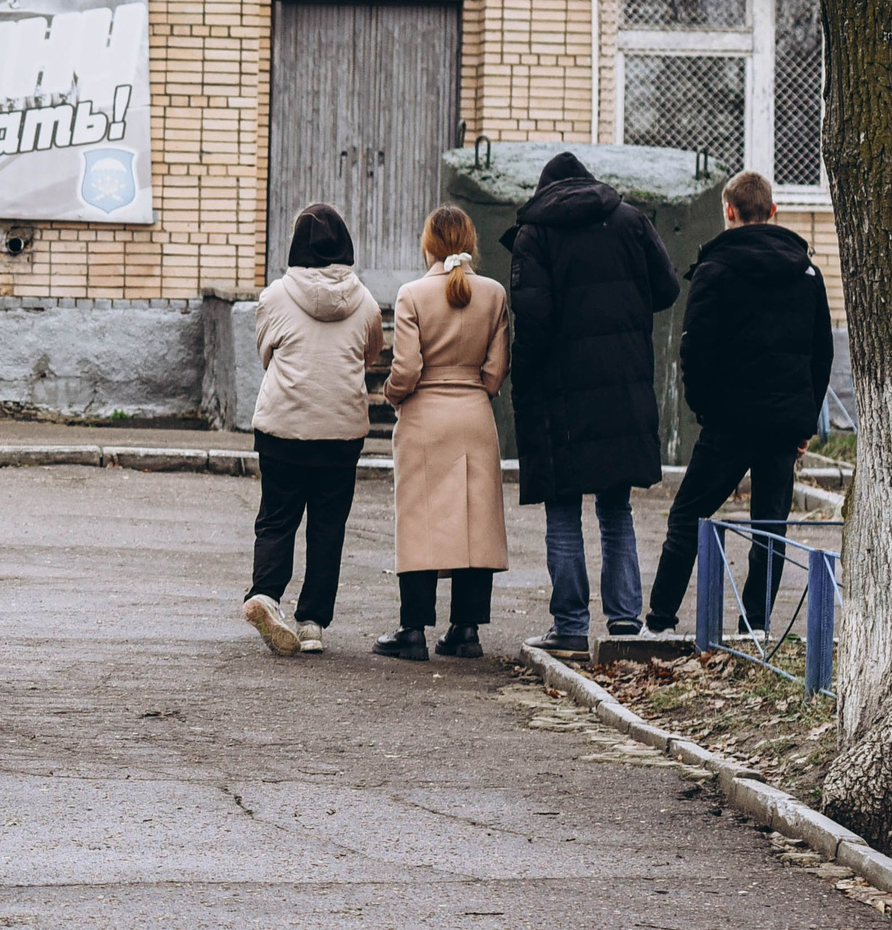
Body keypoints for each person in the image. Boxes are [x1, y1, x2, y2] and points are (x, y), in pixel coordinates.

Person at [503, 151, 681, 655]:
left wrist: (524, 383)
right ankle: (625, 621)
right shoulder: (630, 221)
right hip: (622, 387)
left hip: (560, 395)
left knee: (562, 510)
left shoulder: (535, 234)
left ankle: (571, 626)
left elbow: (532, 320)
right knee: (615, 506)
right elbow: (667, 289)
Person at [644, 170, 834, 635]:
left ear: (728, 211)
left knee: (688, 515)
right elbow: (822, 353)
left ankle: (661, 621)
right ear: (773, 212)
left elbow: (694, 350)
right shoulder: (807, 273)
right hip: (783, 424)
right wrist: (804, 421)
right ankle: (755, 629)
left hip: (729, 421)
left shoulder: (715, 269)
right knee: (769, 527)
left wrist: (706, 409)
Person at [241, 204, 381, 658]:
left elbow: (267, 352)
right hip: (340, 432)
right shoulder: (365, 301)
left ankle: (265, 595)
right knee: (327, 527)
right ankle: (313, 623)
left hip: (283, 425)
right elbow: (370, 357)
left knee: (277, 517)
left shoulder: (275, 296)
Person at [376, 207, 511, 662]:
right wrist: (476, 389)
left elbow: (407, 368)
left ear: (429, 244)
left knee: (420, 521)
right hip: (474, 414)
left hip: (424, 419)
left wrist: (392, 395)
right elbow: (495, 372)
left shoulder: (412, 294)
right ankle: (466, 630)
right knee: (474, 523)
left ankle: (412, 629)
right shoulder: (493, 294)